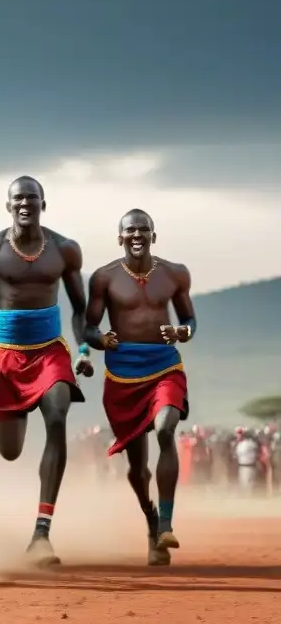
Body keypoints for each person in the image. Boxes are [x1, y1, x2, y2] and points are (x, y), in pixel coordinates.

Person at [0, 176, 90, 566]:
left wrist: (84, 348)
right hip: (3, 356)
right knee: (9, 450)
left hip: (50, 351)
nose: (25, 204)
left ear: (43, 204)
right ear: (8, 206)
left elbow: (80, 309)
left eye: (32, 199)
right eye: (18, 199)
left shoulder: (65, 250)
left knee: (58, 415)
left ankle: (41, 533)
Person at [83, 209, 194, 566]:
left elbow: (189, 319)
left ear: (153, 236)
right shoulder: (103, 278)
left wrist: (182, 333)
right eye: (130, 230)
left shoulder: (175, 274)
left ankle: (165, 523)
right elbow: (87, 328)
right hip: (123, 375)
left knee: (165, 429)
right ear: (120, 237)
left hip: (164, 365)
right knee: (137, 468)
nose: (136, 235)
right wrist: (101, 341)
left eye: (143, 230)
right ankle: (150, 519)